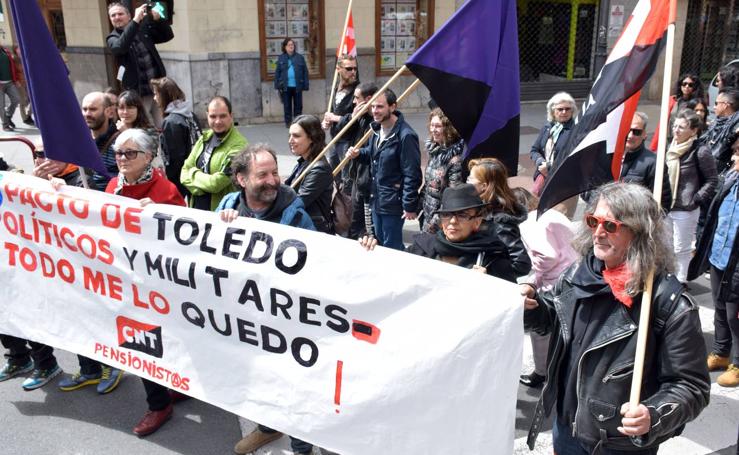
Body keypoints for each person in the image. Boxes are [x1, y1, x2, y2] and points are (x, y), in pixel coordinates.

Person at [522, 182, 710, 454]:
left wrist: (653, 415)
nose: (598, 232)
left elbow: (691, 386)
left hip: (617, 444)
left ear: (639, 233)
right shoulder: (577, 275)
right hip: (565, 429)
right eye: (593, 221)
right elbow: (555, 319)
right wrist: (534, 307)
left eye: (610, 225)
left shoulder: (667, 303)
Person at [218, 144, 314, 455]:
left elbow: (314, 262)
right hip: (246, 313)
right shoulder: (229, 204)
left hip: (284, 317)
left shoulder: (294, 212)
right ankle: (269, 428)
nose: (273, 180)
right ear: (242, 179)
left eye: (275, 172)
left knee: (293, 383)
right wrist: (220, 225)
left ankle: (301, 447)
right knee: (257, 376)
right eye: (263, 174)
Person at [106, 129, 185, 435]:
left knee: (160, 339)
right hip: (125, 281)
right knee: (139, 343)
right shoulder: (113, 186)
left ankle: (163, 399)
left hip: (157, 285)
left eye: (130, 153)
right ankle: (160, 400)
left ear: (148, 156)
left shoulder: (165, 191)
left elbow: (185, 236)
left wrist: (159, 217)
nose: (122, 159)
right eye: (118, 153)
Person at [360, 184, 516, 283]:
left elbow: (518, 313)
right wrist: (374, 251)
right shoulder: (423, 248)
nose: (453, 221)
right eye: (447, 215)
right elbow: (392, 274)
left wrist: (491, 286)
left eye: (462, 215)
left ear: (476, 221)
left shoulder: (493, 258)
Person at [513, 187, 577, 388]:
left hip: (556, 280)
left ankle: (542, 372)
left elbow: (547, 256)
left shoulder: (529, 223)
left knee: (541, 328)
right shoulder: (551, 213)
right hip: (574, 271)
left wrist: (536, 276)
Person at [689, 137, 739, 388]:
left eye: (738, 154)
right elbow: (713, 215)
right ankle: (721, 353)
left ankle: (738, 364)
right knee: (719, 307)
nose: (733, 158)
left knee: (734, 315)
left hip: (737, 264)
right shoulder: (730, 179)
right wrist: (702, 242)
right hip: (719, 255)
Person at [345, 89, 422, 250]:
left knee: (392, 247)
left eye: (379, 107)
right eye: (372, 106)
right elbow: (374, 156)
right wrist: (359, 154)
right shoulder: (376, 129)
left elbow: (412, 173)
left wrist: (409, 205)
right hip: (376, 198)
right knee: (378, 244)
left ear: (392, 107)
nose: (374, 111)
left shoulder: (406, 135)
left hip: (393, 202)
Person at [666, 109, 717, 283]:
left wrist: (696, 198)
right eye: (675, 126)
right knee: (667, 247)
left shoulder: (700, 151)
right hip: (666, 206)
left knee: (681, 248)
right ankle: (668, 281)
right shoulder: (670, 147)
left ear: (694, 131)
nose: (676, 130)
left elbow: (712, 180)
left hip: (686, 209)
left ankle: (680, 283)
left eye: (681, 127)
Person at [584, 112, 672, 209]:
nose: (630, 136)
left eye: (636, 132)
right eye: (627, 130)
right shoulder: (601, 157)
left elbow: (663, 202)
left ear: (644, 135)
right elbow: (586, 189)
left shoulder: (654, 163)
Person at [106, 1, 174, 127]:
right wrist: (136, 21)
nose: (117, 17)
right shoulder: (112, 38)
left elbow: (167, 36)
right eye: (113, 15)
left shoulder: (142, 29)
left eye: (120, 14)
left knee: (163, 124)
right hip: (139, 93)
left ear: (128, 15)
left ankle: (165, 145)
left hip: (156, 88)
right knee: (145, 126)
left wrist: (158, 20)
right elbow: (121, 47)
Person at [467, 158, 531, 278]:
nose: (467, 182)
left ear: (483, 186)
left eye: (470, 179)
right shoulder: (479, 211)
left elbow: (522, 264)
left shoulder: (500, 223)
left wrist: (489, 271)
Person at [180, 96, 248, 211]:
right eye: (213, 116)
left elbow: (216, 184)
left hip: (222, 216)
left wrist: (193, 174)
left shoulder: (239, 147)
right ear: (207, 116)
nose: (217, 121)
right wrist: (201, 184)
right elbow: (183, 173)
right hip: (197, 214)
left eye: (223, 116)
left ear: (231, 116)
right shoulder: (205, 137)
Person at [335, 82, 377, 239]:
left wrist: (360, 152)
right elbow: (343, 134)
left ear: (368, 99)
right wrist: (353, 117)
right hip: (357, 175)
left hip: (369, 180)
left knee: (366, 226)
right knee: (354, 221)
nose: (353, 101)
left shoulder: (378, 120)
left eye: (356, 98)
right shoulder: (361, 117)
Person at [529, 92, 577, 215]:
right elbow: (534, 150)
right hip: (543, 178)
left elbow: (574, 159)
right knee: (537, 211)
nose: (564, 112)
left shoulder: (576, 130)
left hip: (564, 183)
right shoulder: (548, 127)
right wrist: (540, 161)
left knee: (559, 217)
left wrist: (549, 168)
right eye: (560, 109)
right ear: (553, 111)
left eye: (568, 109)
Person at [284, 115, 334, 233]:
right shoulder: (304, 162)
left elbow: (298, 201)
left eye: (296, 136)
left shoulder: (319, 168)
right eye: (290, 135)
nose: (290, 140)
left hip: (313, 231)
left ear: (311, 138)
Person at [151, 76, 199, 198]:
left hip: (181, 180)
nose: (154, 98)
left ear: (164, 96)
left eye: (156, 94)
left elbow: (174, 159)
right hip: (195, 173)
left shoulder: (171, 122)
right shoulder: (190, 114)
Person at [419, 107, 465, 234]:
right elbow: (428, 185)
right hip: (427, 216)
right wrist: (417, 207)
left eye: (438, 126)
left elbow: (452, 197)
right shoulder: (435, 151)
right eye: (432, 125)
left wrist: (434, 224)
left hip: (441, 224)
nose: (433, 130)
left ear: (449, 128)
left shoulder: (455, 160)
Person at [322, 54, 360, 180]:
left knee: (347, 179)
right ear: (338, 69)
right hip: (334, 139)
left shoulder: (359, 91)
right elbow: (333, 111)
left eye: (355, 68)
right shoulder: (335, 87)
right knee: (335, 178)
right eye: (349, 69)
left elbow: (357, 117)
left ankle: (346, 200)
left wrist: (334, 118)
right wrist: (326, 121)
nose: (353, 72)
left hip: (349, 142)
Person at [650, 73, 706, 150]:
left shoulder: (696, 103)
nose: (686, 86)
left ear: (695, 87)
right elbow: (663, 122)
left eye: (690, 85)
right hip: (670, 137)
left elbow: (699, 122)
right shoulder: (673, 100)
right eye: (684, 84)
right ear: (680, 85)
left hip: (685, 140)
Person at [82, 91, 120, 191]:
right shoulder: (79, 141)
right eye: (84, 109)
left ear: (109, 112)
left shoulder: (121, 142)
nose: (87, 114)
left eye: (93, 109)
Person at [274, 38, 309, 128]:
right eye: (289, 45)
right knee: (287, 105)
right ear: (285, 47)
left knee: (298, 105)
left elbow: (305, 71)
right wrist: (277, 85)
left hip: (297, 86)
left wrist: (305, 85)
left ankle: (298, 122)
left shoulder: (299, 57)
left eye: (292, 45)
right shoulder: (281, 58)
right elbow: (277, 72)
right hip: (285, 86)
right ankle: (288, 122)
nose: (291, 46)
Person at [703, 88, 739, 173]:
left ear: (725, 105)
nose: (714, 107)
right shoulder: (716, 123)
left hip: (722, 173)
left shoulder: (735, 126)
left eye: (716, 103)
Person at [0, 44, 21, 132]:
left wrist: (16, 79)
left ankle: (8, 116)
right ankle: (5, 125)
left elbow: (12, 66)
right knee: (1, 106)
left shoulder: (5, 51)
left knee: (16, 99)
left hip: (10, 82)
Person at [12, 45, 33, 126]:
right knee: (23, 101)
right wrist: (16, 81)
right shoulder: (14, 59)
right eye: (18, 48)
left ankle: (29, 115)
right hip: (20, 82)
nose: (20, 50)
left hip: (27, 81)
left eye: (20, 48)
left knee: (32, 100)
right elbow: (14, 71)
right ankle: (25, 118)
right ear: (15, 50)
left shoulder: (24, 57)